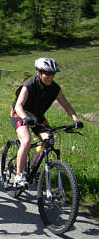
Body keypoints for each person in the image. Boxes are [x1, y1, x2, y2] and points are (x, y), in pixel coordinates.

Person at [10, 57, 84, 187]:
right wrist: (25, 118)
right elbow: (18, 105)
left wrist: (75, 119)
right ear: (38, 73)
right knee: (26, 141)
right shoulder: (29, 84)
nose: (50, 77)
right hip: (20, 114)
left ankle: (31, 168)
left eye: (53, 74)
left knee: (48, 139)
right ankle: (18, 175)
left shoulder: (55, 88)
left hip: (37, 116)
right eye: (47, 73)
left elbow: (67, 105)